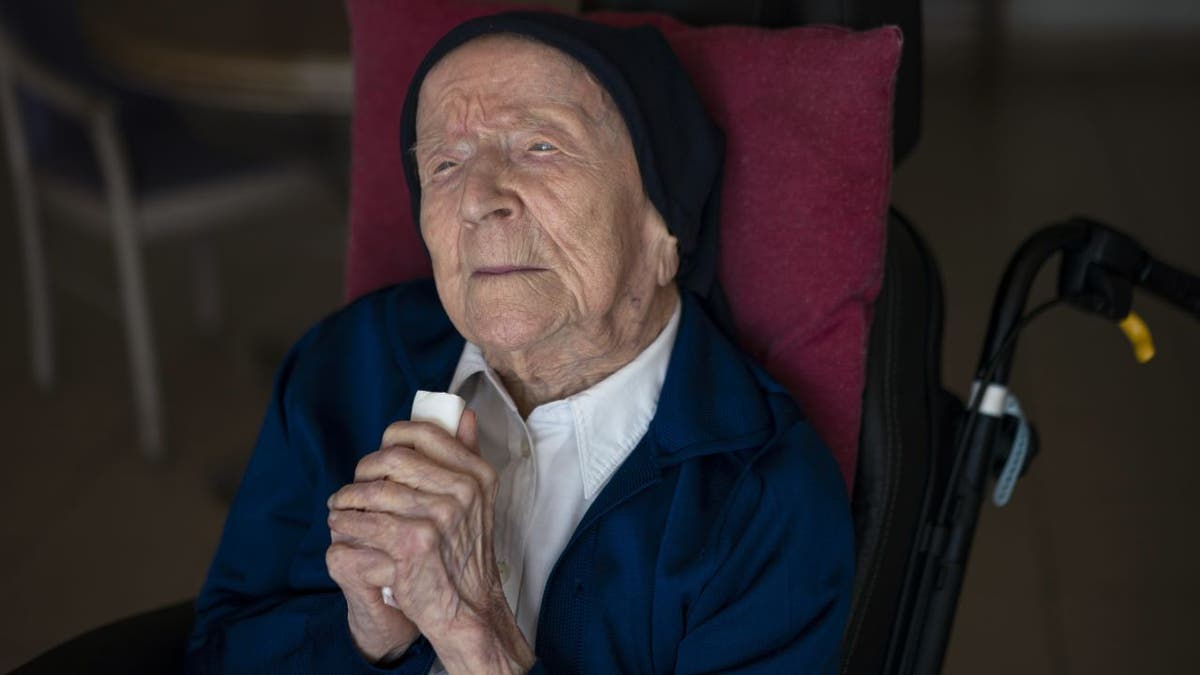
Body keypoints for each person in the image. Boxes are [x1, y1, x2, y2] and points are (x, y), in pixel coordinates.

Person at [186, 12, 852, 674]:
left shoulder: (765, 500)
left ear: (664, 222)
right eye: (445, 163)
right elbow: (218, 654)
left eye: (540, 146)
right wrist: (367, 635)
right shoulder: (347, 364)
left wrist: (475, 636)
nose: (479, 198)